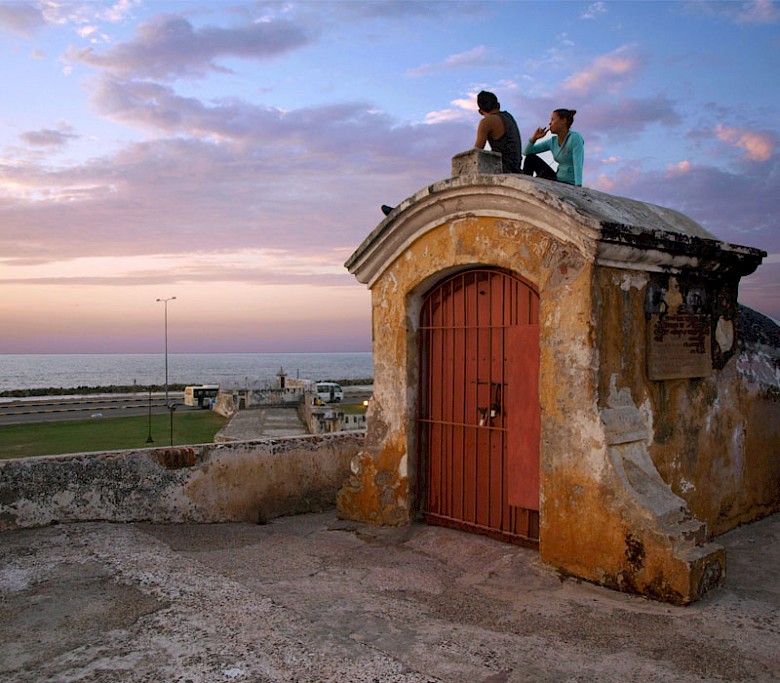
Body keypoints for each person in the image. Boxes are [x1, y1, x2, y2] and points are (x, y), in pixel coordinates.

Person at [522, 109, 584, 186]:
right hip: (556, 178)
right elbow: (526, 152)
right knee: (530, 158)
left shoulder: (574, 138)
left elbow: (578, 163)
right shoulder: (552, 141)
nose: (549, 123)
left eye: (553, 119)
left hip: (568, 183)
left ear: (563, 121)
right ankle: (525, 185)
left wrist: (578, 185)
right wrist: (534, 138)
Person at [474, 90, 523, 174]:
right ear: (498, 105)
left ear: (480, 112)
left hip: (503, 169)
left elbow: (477, 152)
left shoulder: (486, 122)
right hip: (516, 168)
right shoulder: (509, 117)